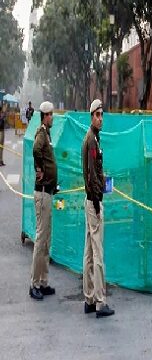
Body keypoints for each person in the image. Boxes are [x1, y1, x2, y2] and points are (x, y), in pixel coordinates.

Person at [82, 99, 114, 318]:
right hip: (93, 201)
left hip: (90, 200)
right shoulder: (91, 141)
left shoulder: (93, 138)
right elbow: (92, 175)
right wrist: (96, 202)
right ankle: (100, 302)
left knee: (89, 253)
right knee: (98, 252)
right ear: (91, 116)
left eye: (102, 115)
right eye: (98, 115)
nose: (101, 119)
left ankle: (89, 298)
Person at [29, 101, 57, 301]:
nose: (52, 117)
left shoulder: (47, 133)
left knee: (47, 240)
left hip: (49, 191)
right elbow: (35, 150)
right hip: (42, 192)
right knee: (40, 240)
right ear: (45, 116)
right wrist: (39, 170)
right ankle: (34, 284)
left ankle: (43, 281)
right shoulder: (41, 133)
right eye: (51, 115)